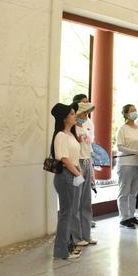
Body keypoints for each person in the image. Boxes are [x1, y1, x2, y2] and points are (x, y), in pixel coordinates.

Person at [50, 103, 83, 260]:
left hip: (73, 173)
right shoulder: (61, 136)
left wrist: (78, 171)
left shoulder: (71, 135)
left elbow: (74, 158)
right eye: (71, 114)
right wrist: (78, 173)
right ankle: (61, 251)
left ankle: (67, 246)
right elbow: (64, 158)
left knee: (69, 213)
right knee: (66, 214)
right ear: (63, 118)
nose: (74, 115)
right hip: (66, 176)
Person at [71, 102, 98, 247]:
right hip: (77, 164)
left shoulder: (84, 128)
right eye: (83, 112)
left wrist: (92, 171)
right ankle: (75, 236)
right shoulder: (72, 128)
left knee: (86, 202)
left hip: (87, 163)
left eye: (87, 113)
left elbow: (88, 149)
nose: (85, 115)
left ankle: (86, 234)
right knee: (76, 201)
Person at [115, 104, 138, 229]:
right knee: (124, 191)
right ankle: (124, 217)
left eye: (135, 110)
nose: (135, 112)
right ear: (126, 114)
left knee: (134, 191)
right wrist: (134, 151)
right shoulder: (122, 129)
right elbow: (120, 146)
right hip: (126, 163)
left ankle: (131, 215)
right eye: (132, 111)